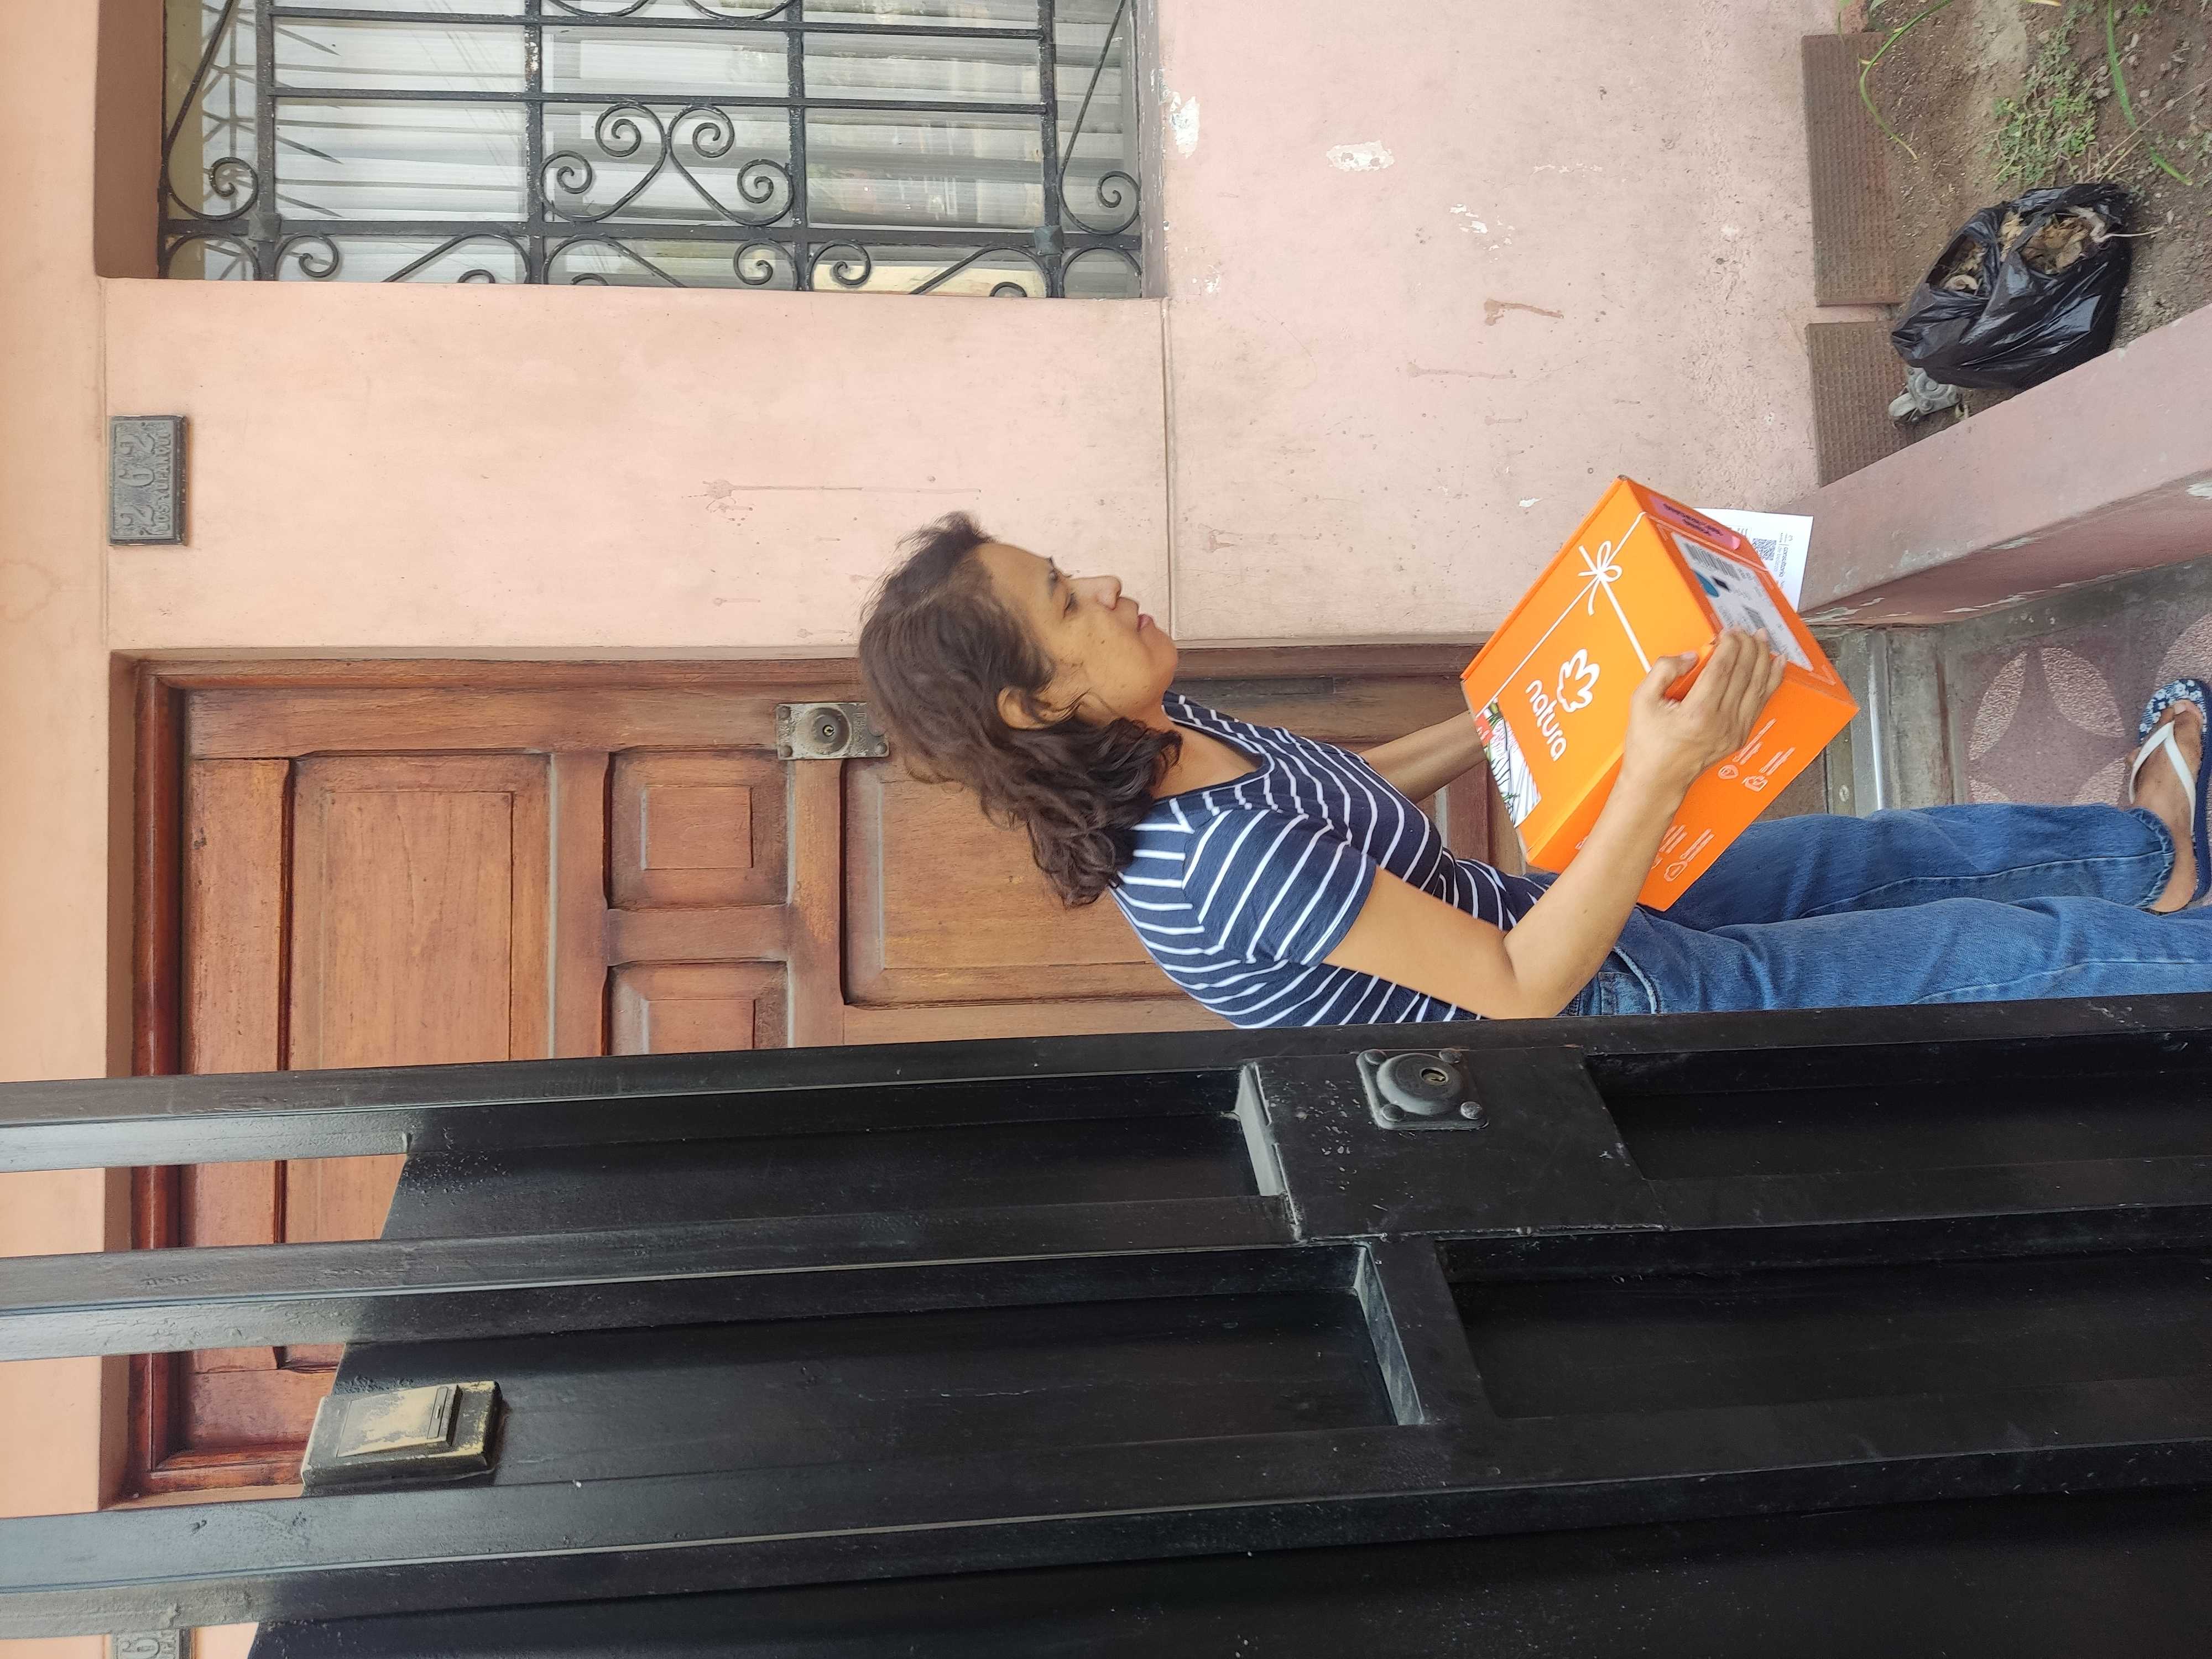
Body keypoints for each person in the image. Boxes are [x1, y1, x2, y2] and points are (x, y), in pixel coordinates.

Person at [857, 514, 2212, 1026]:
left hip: (1552, 912)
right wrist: (1651, 772)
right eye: (1065, 598)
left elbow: (1353, 790)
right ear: (1037, 701)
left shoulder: (1159, 735)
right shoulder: (1216, 868)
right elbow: (1516, 992)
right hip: (1600, 999)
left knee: (1877, 857)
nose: (1103, 581)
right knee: (1988, 953)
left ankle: (2152, 852)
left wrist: (1535, 682)